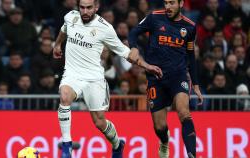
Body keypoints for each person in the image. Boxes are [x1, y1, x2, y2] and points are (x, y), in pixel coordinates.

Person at [53, 0, 162, 157]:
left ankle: (117, 145)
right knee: (64, 97)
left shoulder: (105, 28)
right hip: (72, 74)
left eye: (89, 8)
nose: (85, 11)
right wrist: (57, 45)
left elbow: (125, 52)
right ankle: (66, 146)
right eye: (82, 7)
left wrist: (147, 66)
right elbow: (64, 30)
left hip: (94, 79)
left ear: (96, 7)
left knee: (99, 122)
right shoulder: (71, 17)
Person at [128, 0, 203, 158]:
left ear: (181, 3)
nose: (168, 7)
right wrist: (134, 47)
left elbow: (191, 55)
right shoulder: (154, 18)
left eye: (172, 3)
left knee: (184, 113)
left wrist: (195, 83)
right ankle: (164, 141)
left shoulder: (190, 26)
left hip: (179, 76)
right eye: (166, 3)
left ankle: (192, 155)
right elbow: (134, 32)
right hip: (156, 78)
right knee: (160, 127)